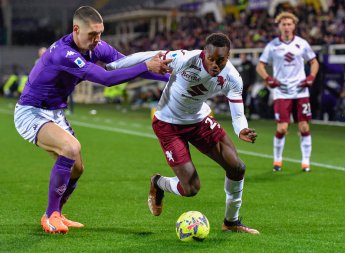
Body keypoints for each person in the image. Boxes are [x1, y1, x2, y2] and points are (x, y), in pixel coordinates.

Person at [14, 6, 171, 234]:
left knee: (77, 169)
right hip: (32, 111)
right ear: (76, 29)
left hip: (55, 113)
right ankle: (51, 215)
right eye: (92, 34)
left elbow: (124, 63)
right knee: (71, 147)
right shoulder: (63, 53)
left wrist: (167, 76)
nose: (97, 40)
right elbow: (106, 79)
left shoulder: (95, 46)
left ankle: (58, 212)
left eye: (100, 33)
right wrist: (146, 66)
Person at [107, 33, 259, 234]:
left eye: (220, 60)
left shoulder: (232, 77)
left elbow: (238, 112)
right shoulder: (186, 59)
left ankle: (231, 222)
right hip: (168, 124)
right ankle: (158, 182)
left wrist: (241, 130)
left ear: (228, 56)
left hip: (199, 121)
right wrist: (112, 66)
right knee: (190, 188)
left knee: (237, 167)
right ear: (204, 53)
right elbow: (148, 56)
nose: (215, 64)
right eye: (211, 59)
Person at [256, 12, 319, 172]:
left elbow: (314, 62)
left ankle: (306, 161)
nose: (287, 27)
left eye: (289, 24)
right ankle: (277, 160)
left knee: (304, 127)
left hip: (300, 91)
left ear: (294, 26)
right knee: (282, 128)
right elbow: (260, 66)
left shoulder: (302, 43)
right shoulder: (272, 46)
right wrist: (268, 78)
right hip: (282, 92)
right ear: (279, 26)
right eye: (283, 24)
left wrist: (311, 76)